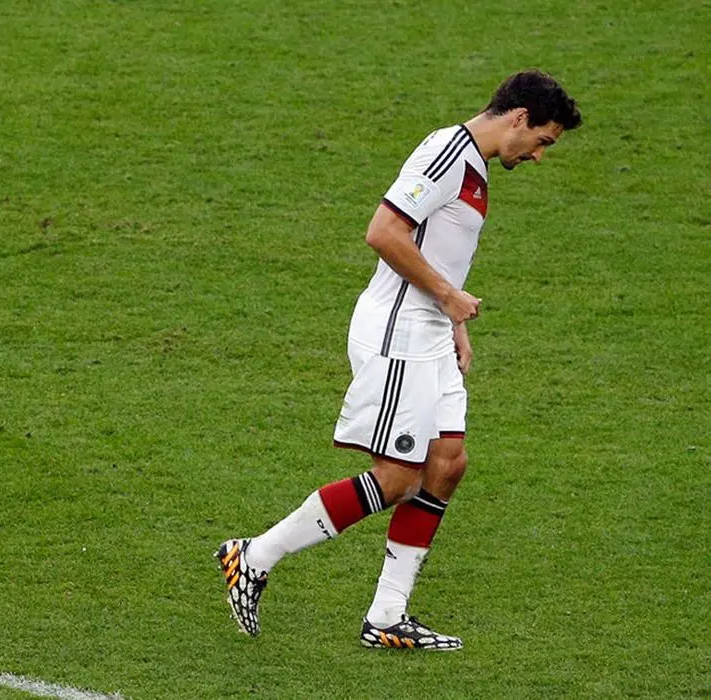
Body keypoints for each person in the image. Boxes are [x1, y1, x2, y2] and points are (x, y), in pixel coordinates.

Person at [217, 71, 581, 648]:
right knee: (397, 477)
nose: (538, 155)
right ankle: (254, 555)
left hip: (432, 331)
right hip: (398, 334)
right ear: (519, 118)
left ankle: (386, 616)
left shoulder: (477, 168)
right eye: (542, 141)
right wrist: (445, 297)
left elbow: (441, 249)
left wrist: (454, 319)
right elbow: (383, 232)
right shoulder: (446, 154)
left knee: (448, 463)